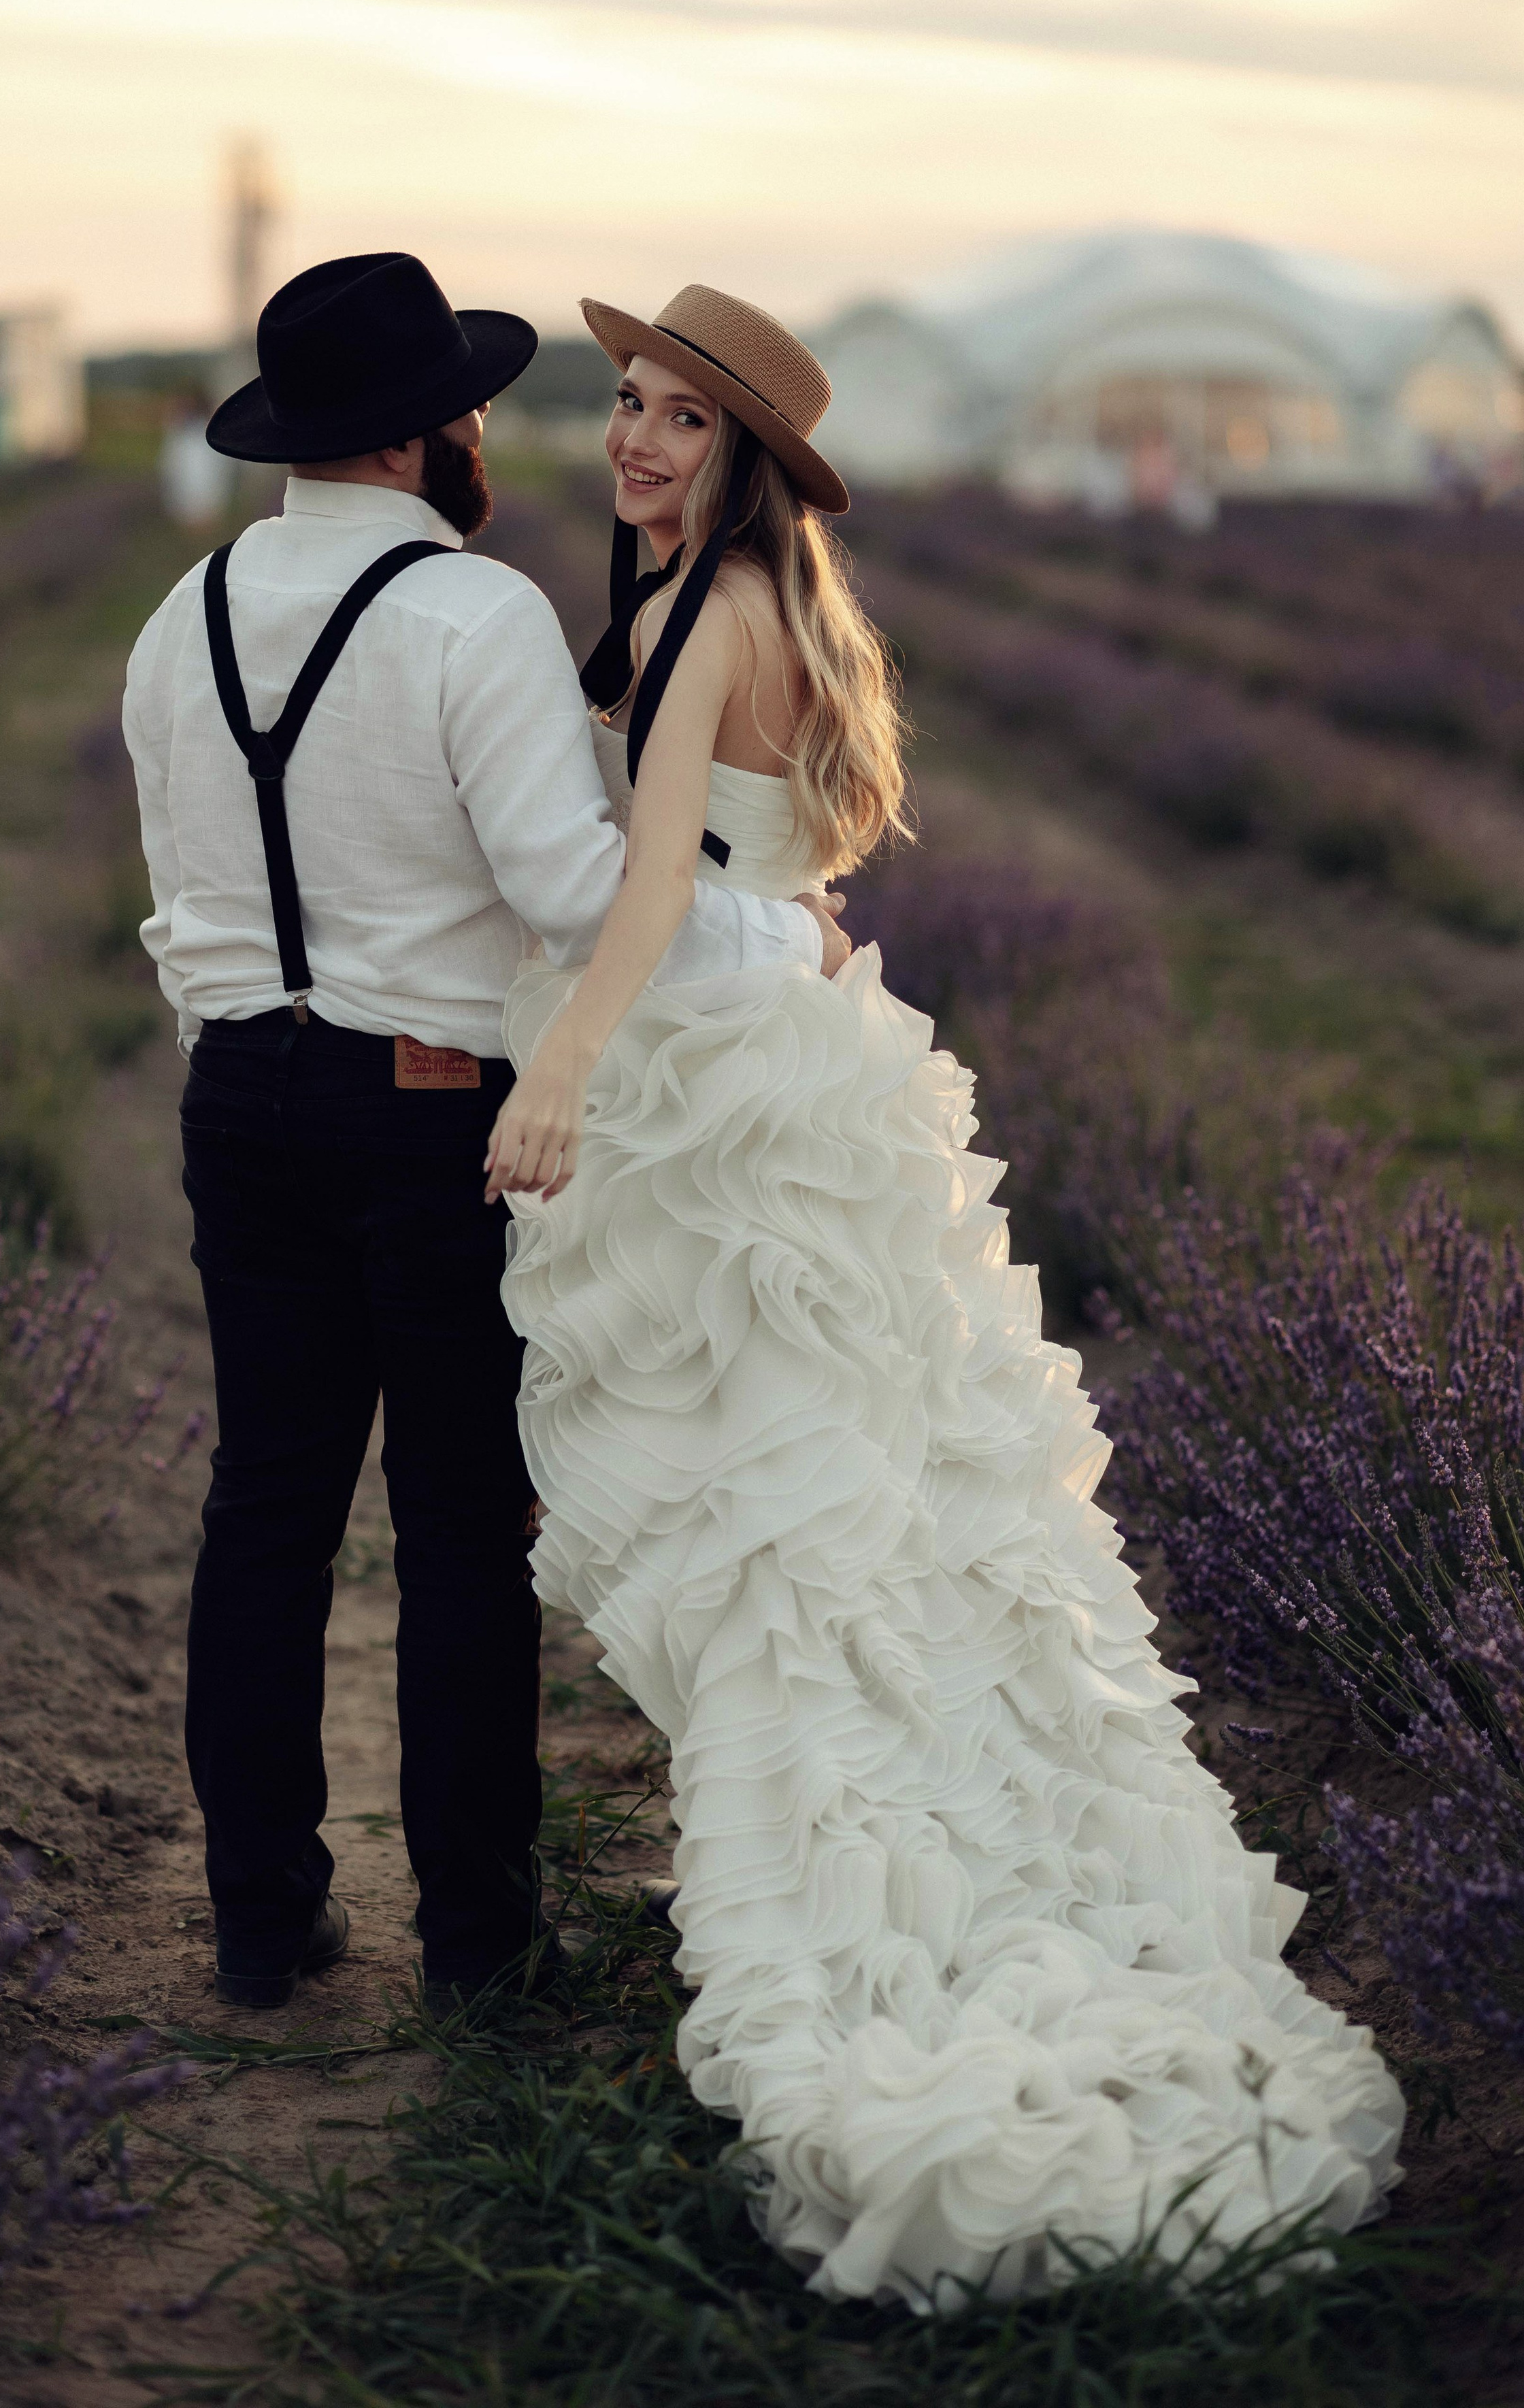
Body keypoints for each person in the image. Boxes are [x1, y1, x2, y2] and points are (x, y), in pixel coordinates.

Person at [488, 284, 1405, 2306]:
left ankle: (843, 1880)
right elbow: (772, 868)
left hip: (721, 1090)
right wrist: (777, 937)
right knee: (836, 1491)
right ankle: (865, 1814)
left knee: (781, 1509)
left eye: (677, 419)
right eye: (625, 403)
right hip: (789, 1053)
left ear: (744, 458)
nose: (633, 439)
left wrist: (559, 1066)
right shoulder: (765, 604)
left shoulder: (709, 608)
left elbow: (660, 879)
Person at [121, 254, 848, 2014]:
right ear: (418, 436)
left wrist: (254, 1039)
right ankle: (475, 1949)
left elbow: (173, 908)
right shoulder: (474, 614)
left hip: (237, 1097)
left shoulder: (177, 619)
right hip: (430, 1109)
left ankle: (261, 1921)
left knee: (266, 1509)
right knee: (457, 1528)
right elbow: (579, 892)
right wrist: (777, 934)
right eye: (463, 405)